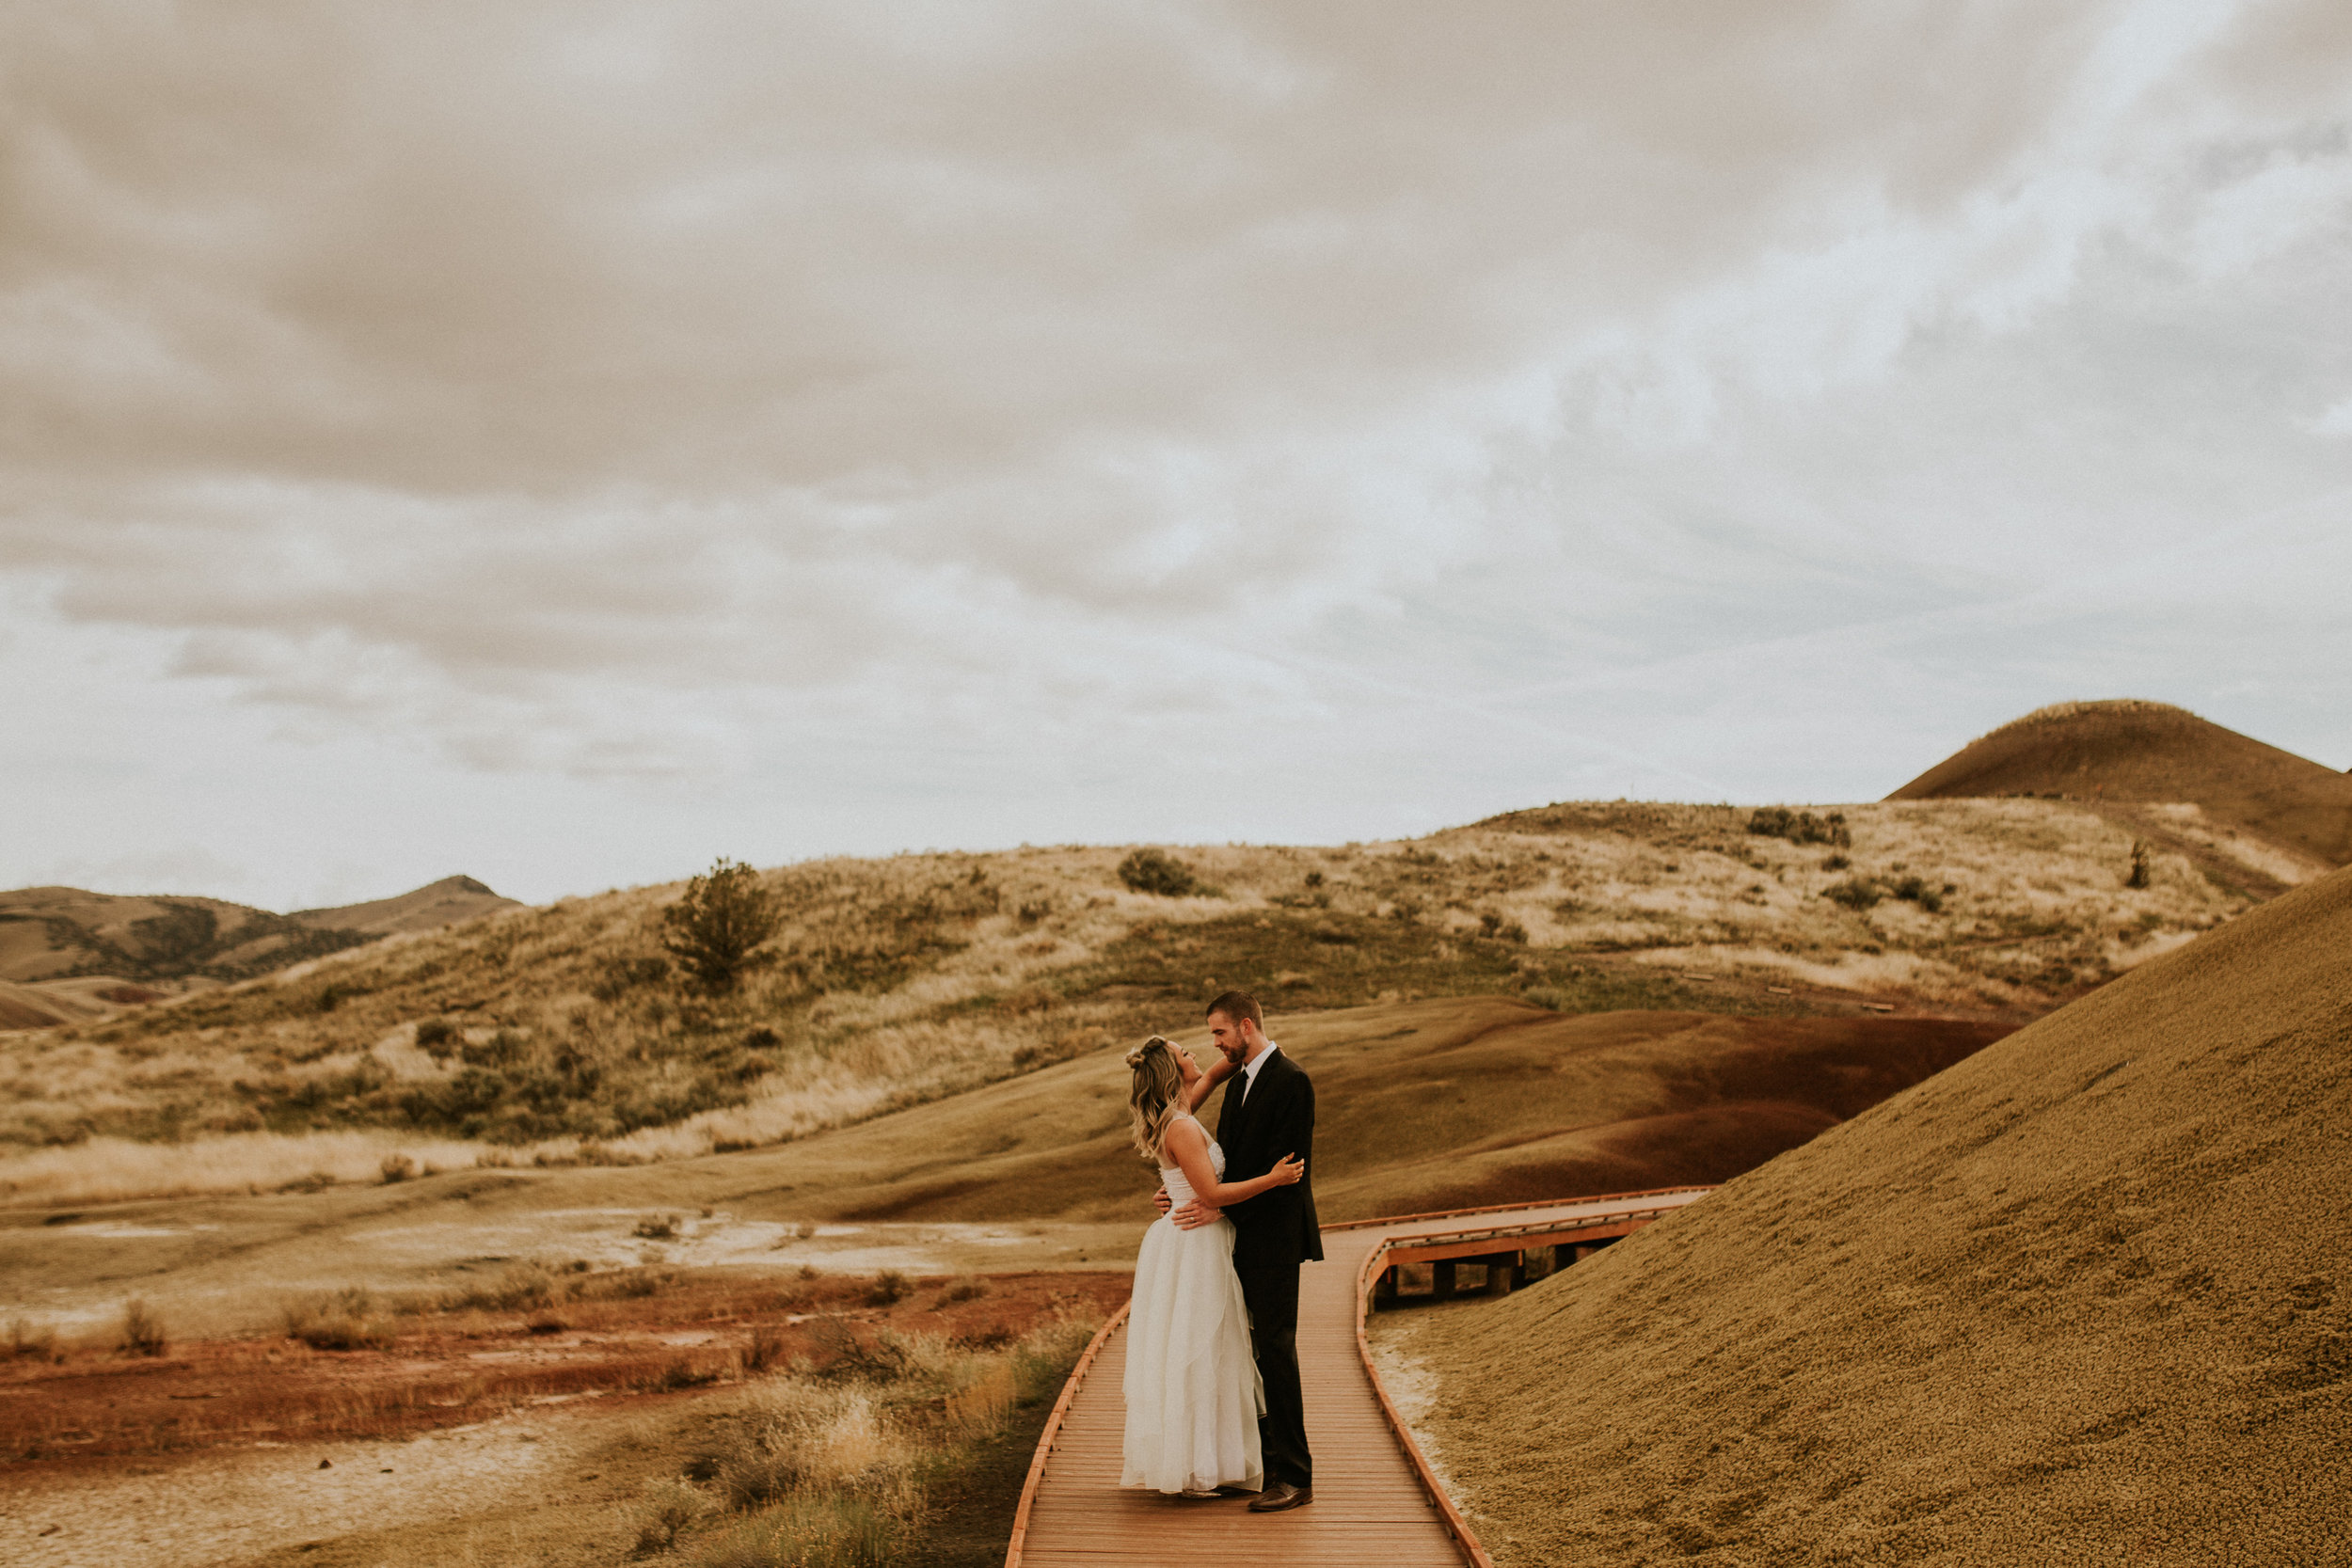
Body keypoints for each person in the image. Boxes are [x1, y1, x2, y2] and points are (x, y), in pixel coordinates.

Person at [1120, 1035, 1306, 1498]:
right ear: (1172, 1070)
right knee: (1205, 1350)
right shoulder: (1180, 1126)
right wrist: (1275, 1178)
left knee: (1210, 1349)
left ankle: (1210, 1457)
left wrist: (1244, 1048)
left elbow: (1212, 1076)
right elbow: (1212, 1196)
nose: (1198, 1053)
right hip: (1196, 1242)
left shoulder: (1177, 1111)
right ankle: (1202, 1462)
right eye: (1187, 1053)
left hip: (1188, 1238)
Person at [1160, 990, 1321, 1513]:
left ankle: (1295, 1477)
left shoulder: (1291, 1081)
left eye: (1219, 1033)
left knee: (1276, 1349)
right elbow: (1229, 1164)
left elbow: (1288, 1177)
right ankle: (1266, 1464)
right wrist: (1186, 1188)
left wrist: (1219, 1208)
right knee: (1250, 1354)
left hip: (1274, 1241)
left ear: (1245, 1026)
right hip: (1241, 1239)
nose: (1215, 1043)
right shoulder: (1242, 1083)